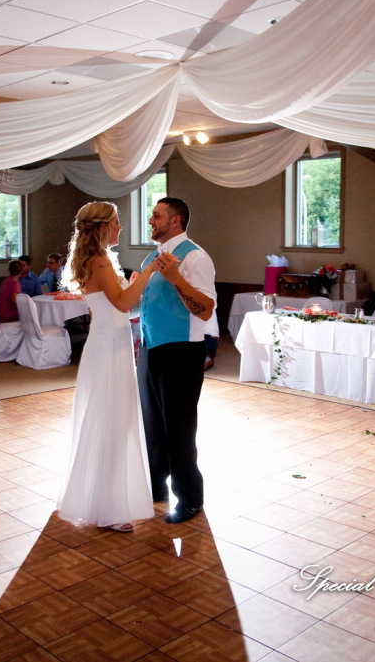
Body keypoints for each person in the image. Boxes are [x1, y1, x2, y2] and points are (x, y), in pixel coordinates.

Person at [57, 201, 178, 532]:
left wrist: (131, 283)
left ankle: (104, 499)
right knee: (113, 422)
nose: (120, 227)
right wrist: (151, 271)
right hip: (109, 348)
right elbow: (123, 304)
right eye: (116, 222)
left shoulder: (100, 260)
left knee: (114, 421)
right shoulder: (99, 261)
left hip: (110, 342)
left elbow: (115, 307)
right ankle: (110, 509)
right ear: (101, 228)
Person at [138, 197, 217, 524]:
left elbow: (206, 308)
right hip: (150, 349)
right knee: (153, 425)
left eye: (156, 216)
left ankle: (190, 498)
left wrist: (176, 278)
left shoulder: (195, 257)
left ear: (175, 221)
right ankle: (157, 490)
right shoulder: (150, 258)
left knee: (180, 428)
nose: (151, 220)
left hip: (181, 352)